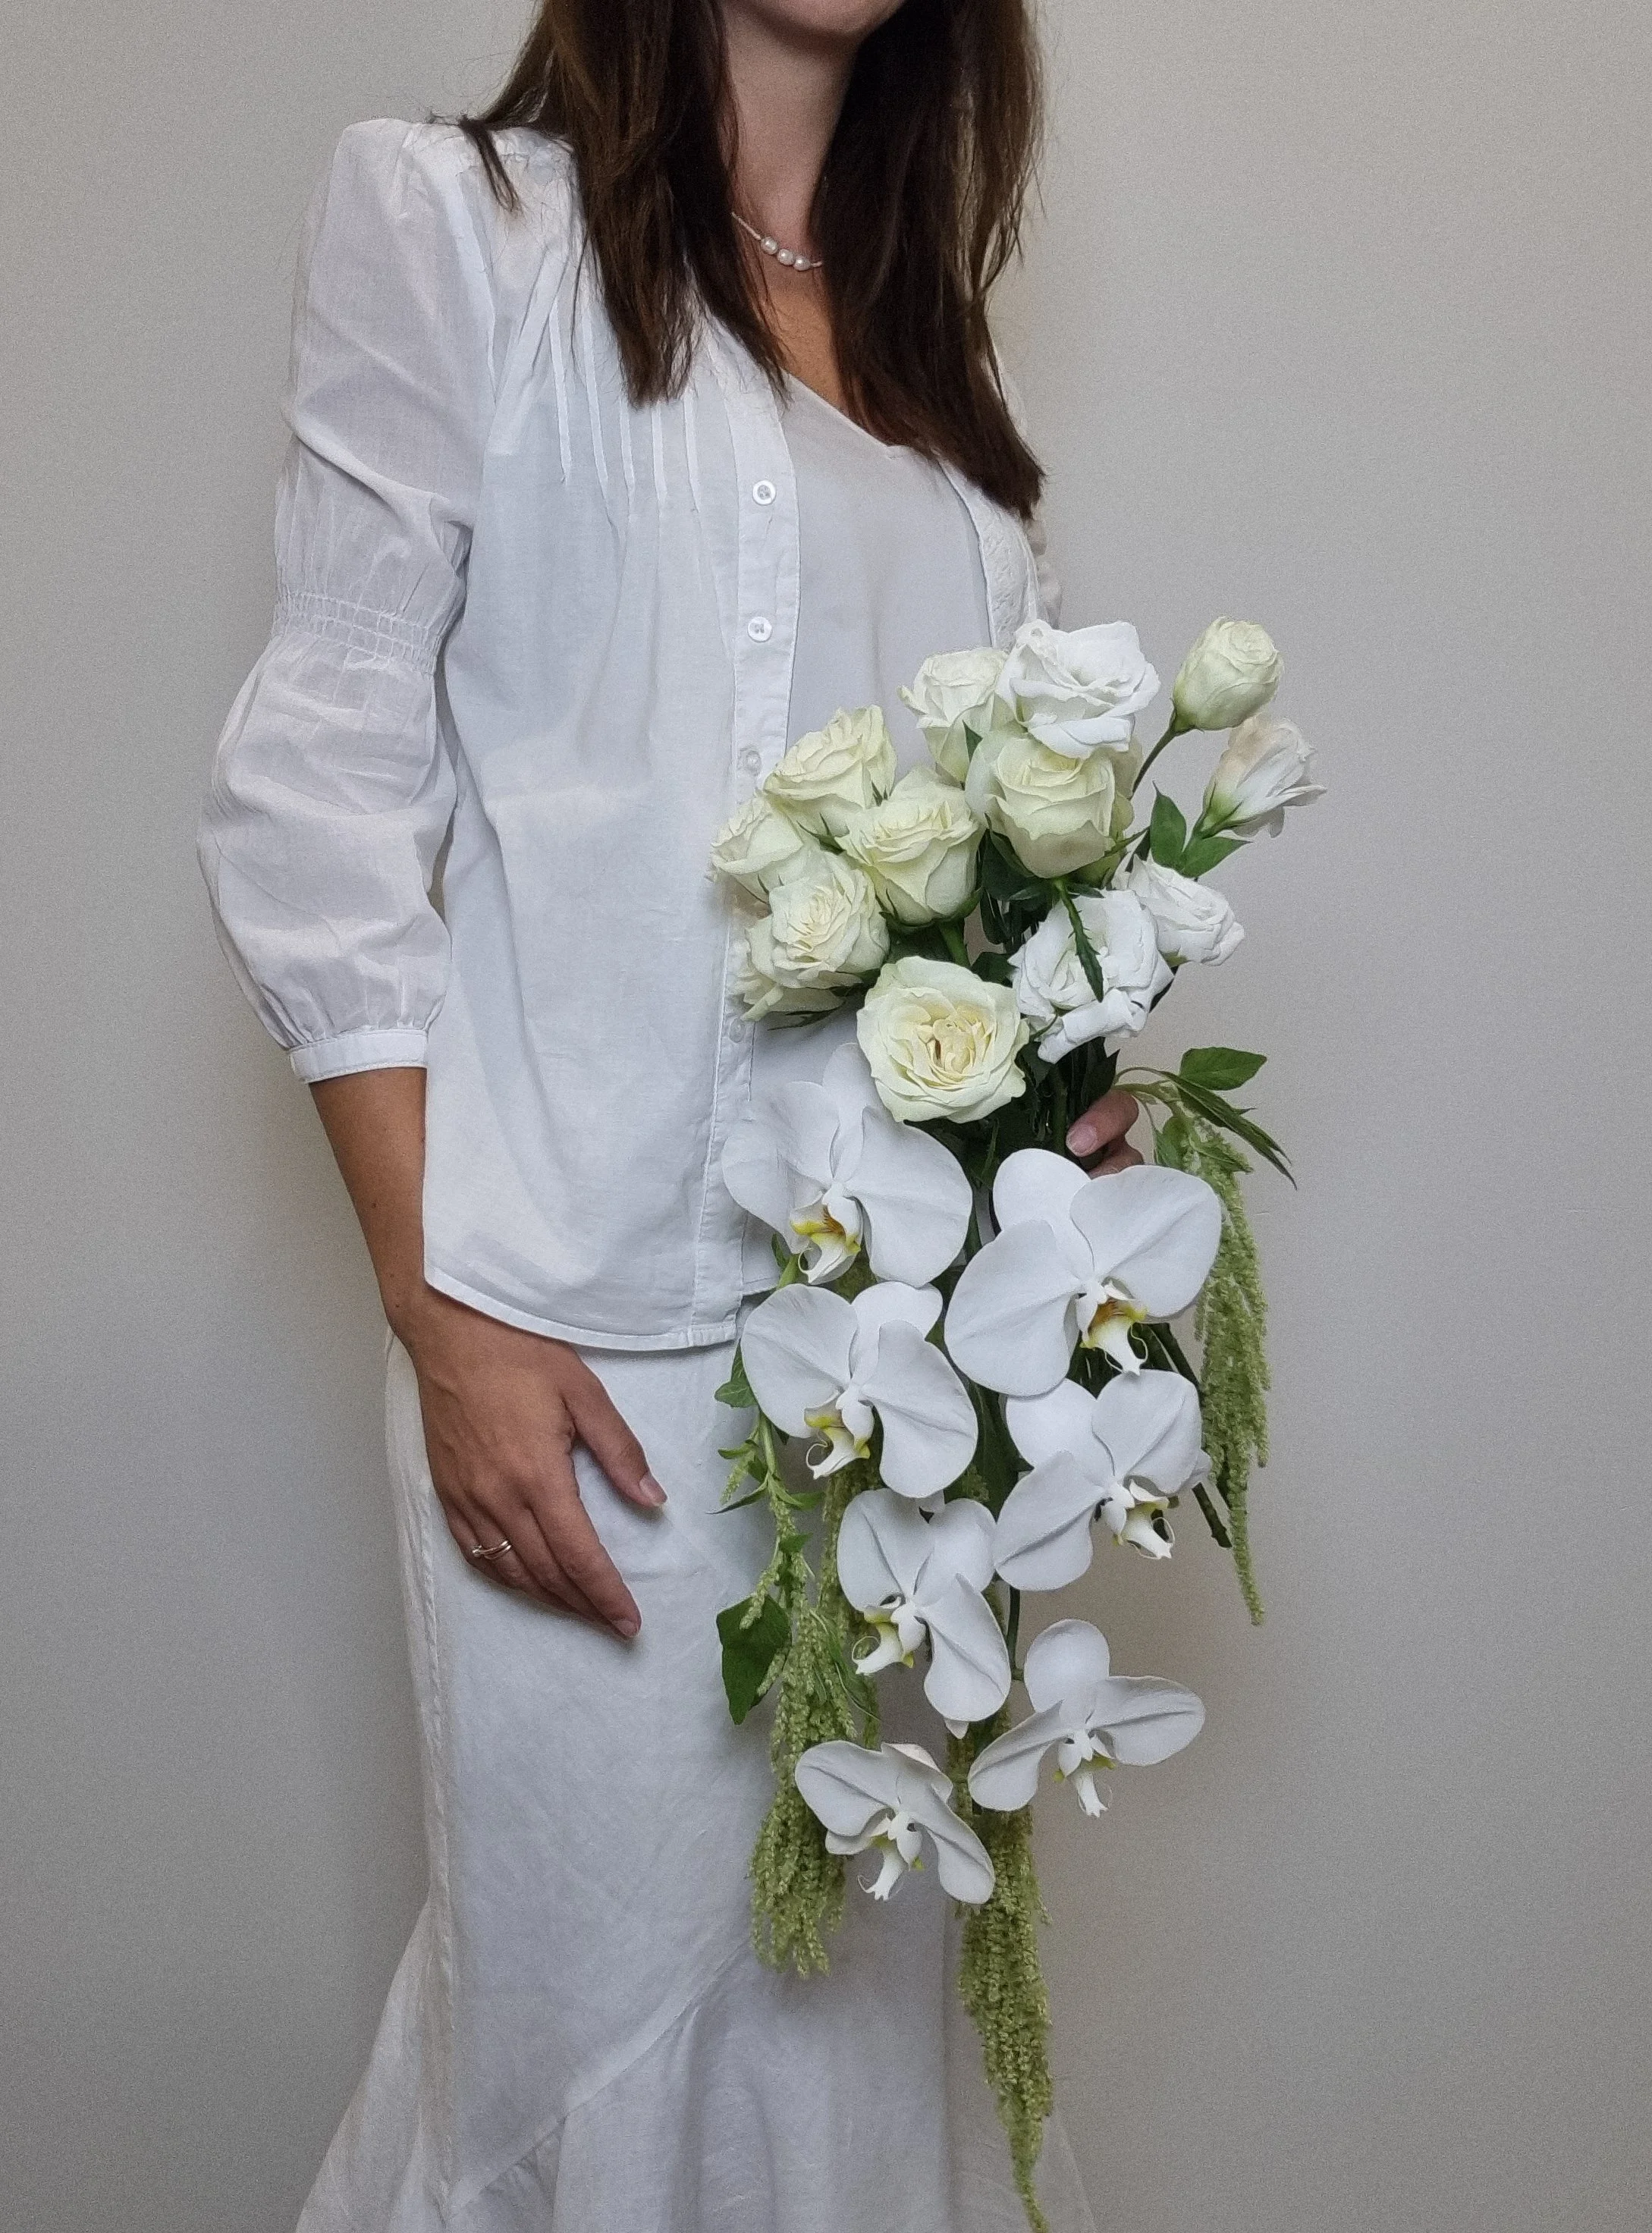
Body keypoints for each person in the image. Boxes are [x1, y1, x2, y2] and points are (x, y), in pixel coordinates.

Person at [201, 3, 1141, 2225]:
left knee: (849, 2026)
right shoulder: (459, 226)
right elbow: (318, 785)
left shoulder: (934, 356)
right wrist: (446, 1317)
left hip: (891, 1392)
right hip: (577, 1358)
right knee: (574, 2056)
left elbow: (980, 851)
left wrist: (1059, 1126)